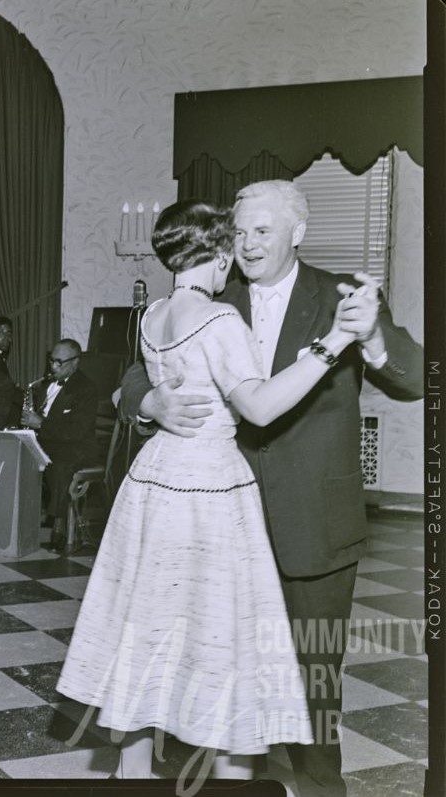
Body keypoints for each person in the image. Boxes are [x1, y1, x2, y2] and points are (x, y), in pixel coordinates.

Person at [56, 198, 378, 785]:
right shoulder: (221, 319)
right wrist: (332, 343)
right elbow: (257, 406)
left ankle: (131, 773)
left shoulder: (153, 315)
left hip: (154, 485)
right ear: (221, 251)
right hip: (209, 492)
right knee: (227, 645)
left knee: (147, 633)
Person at [118, 183, 422, 796]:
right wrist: (151, 401)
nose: (247, 244)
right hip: (220, 517)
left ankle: (316, 782)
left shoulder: (340, 295)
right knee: (212, 658)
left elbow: (417, 376)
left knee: (314, 669)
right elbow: (131, 376)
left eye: (262, 231)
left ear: (297, 233)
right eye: (240, 231)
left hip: (314, 517)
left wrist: (371, 339)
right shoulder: (212, 293)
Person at [20, 338, 98, 552]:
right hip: (47, 441)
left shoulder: (86, 389)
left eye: (59, 362)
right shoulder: (44, 384)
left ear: (75, 362)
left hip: (76, 446)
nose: (53, 367)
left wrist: (40, 423)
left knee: (61, 462)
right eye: (51, 361)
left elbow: (75, 431)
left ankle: (60, 524)